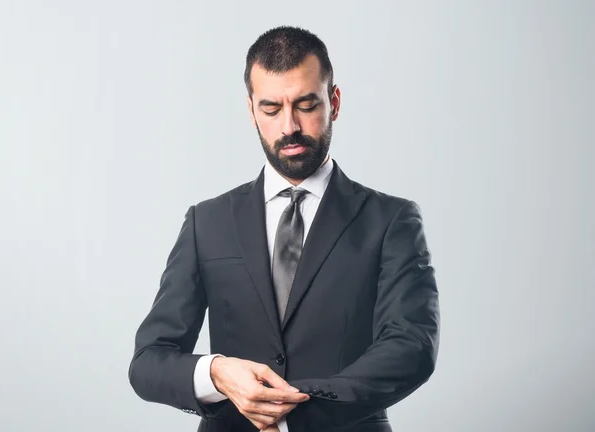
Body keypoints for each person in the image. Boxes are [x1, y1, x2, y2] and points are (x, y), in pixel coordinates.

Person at [129, 26, 440, 432]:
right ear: (251, 110)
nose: (289, 126)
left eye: (306, 105)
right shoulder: (206, 223)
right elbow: (149, 361)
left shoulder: (392, 220)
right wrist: (217, 373)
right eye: (271, 109)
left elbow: (411, 348)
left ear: (335, 102)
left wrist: (288, 405)